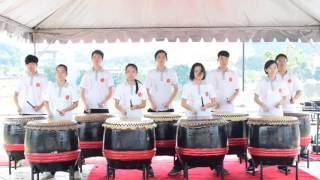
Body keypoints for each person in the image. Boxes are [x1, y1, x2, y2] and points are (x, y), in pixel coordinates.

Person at [246, 60, 289, 174]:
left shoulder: (282, 82)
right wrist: (263, 105)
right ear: (266, 70)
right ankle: (256, 162)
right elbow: (255, 98)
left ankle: (281, 163)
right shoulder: (262, 82)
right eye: (270, 68)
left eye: (275, 67)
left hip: (277, 115)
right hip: (264, 114)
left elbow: (285, 97)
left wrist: (280, 103)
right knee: (262, 140)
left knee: (278, 139)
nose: (273, 69)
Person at [113, 64, 154, 177]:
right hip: (123, 118)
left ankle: (146, 165)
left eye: (133, 71)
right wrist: (123, 110)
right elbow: (116, 104)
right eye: (128, 71)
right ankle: (116, 164)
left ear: (136, 73)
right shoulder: (120, 86)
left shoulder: (141, 86)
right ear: (125, 73)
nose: (130, 74)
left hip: (137, 117)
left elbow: (144, 104)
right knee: (124, 142)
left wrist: (136, 107)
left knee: (139, 142)